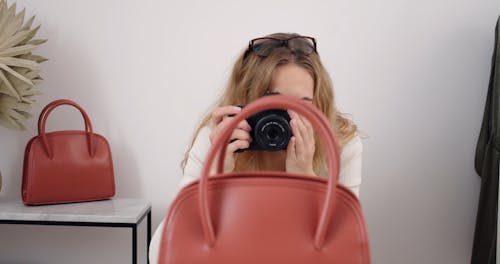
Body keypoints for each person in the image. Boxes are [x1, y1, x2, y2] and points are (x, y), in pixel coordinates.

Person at [149, 32, 364, 263]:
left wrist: (307, 182)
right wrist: (213, 178)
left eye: (302, 106)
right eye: (273, 103)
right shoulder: (220, 138)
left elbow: (346, 253)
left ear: (319, 106)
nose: (288, 120)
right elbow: (162, 253)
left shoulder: (339, 143)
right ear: (246, 100)